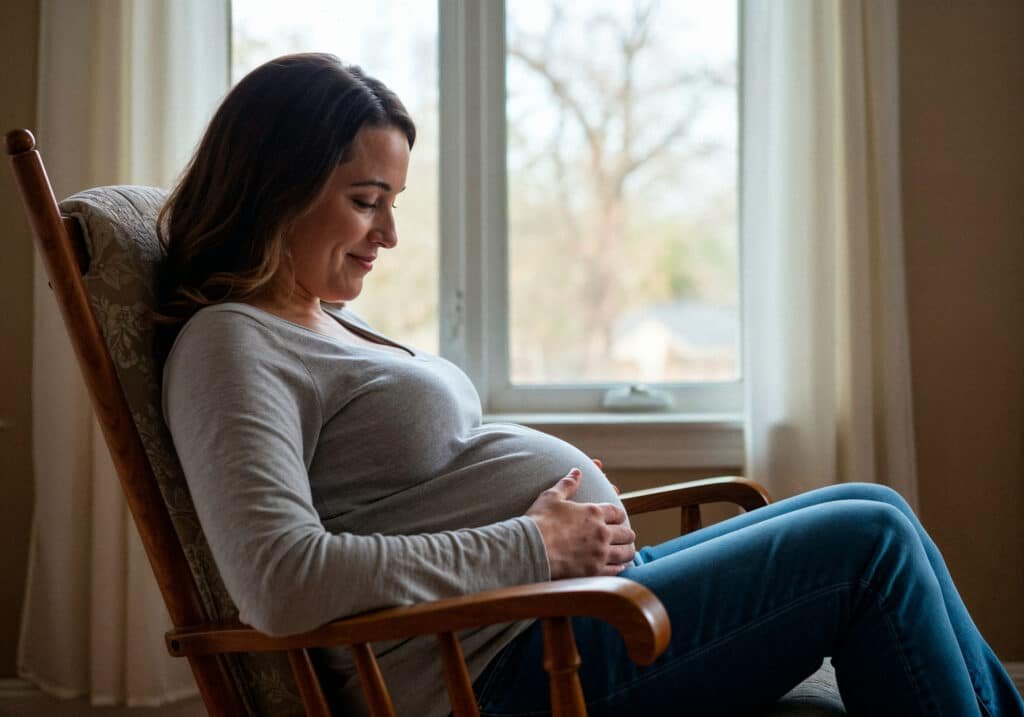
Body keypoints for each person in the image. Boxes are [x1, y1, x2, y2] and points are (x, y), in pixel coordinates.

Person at [156, 53, 1023, 717]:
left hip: (559, 611)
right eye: (365, 199)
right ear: (280, 187)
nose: (388, 234)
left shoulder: (315, 318)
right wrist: (537, 544)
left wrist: (535, 515)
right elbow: (282, 579)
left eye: (394, 203)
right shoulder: (231, 343)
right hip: (500, 669)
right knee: (864, 542)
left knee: (880, 507)